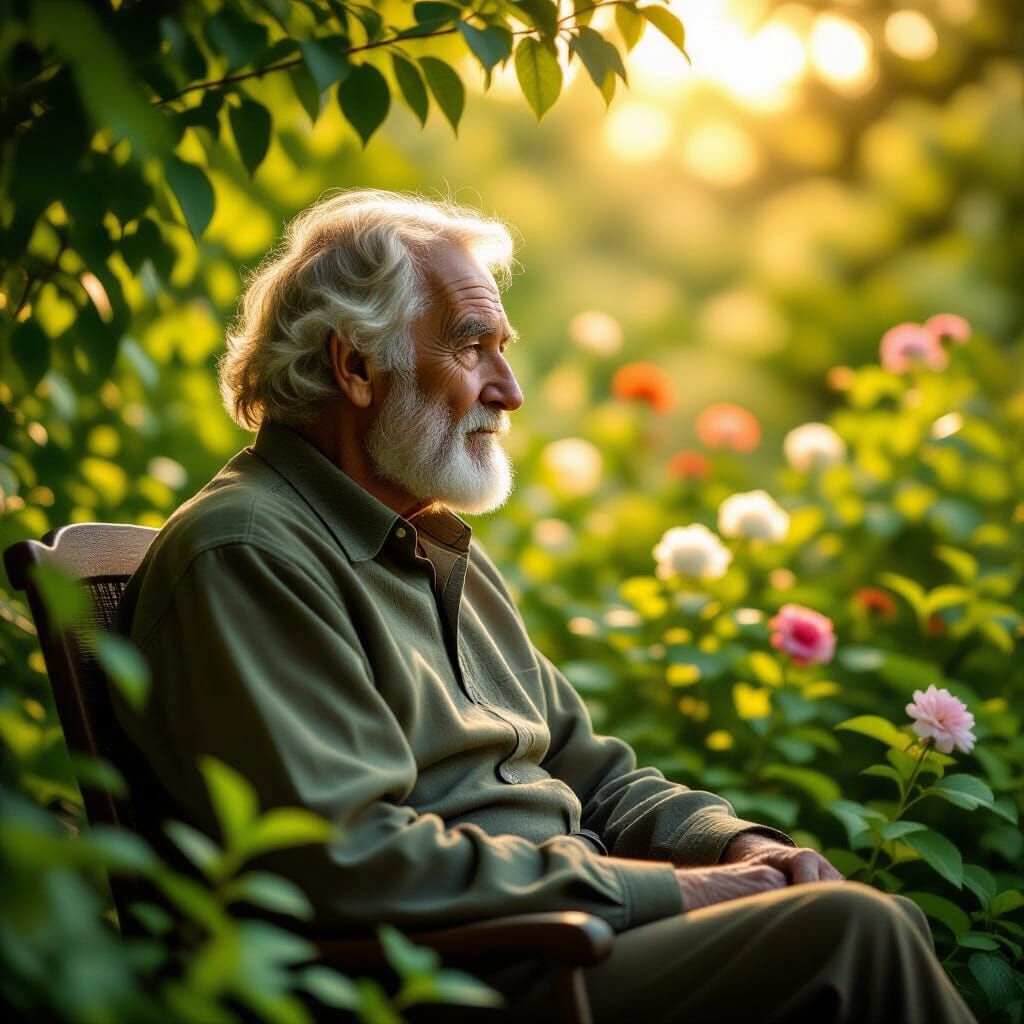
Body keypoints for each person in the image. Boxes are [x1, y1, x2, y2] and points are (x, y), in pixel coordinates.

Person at [112, 190, 976, 1023]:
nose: (509, 389)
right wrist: (675, 890)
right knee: (854, 935)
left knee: (859, 913)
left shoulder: (426, 541)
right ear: (357, 365)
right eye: (471, 345)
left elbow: (590, 770)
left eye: (502, 346)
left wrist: (734, 847)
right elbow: (350, 861)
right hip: (449, 980)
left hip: (553, 943)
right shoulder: (251, 554)